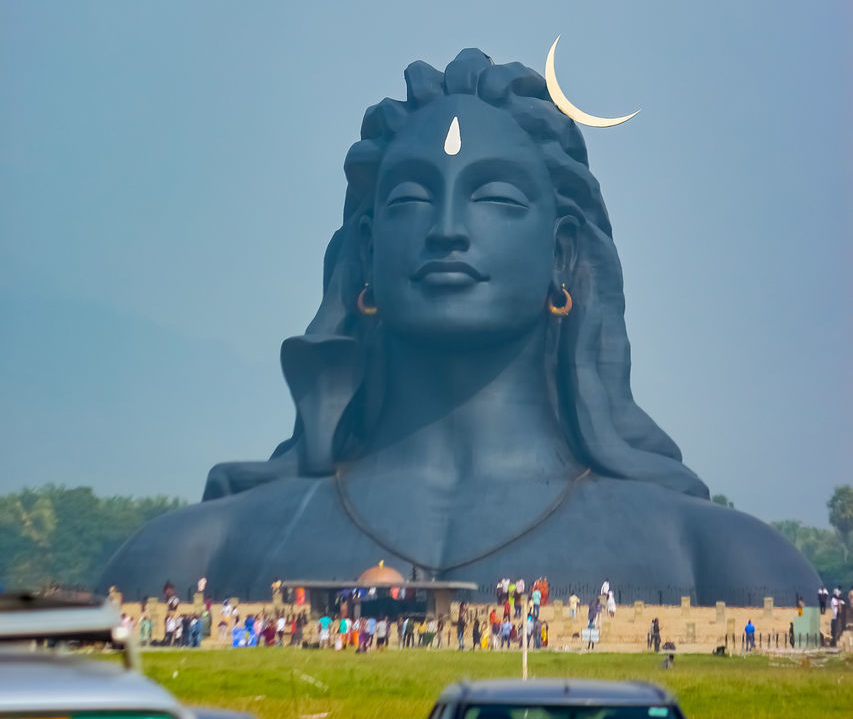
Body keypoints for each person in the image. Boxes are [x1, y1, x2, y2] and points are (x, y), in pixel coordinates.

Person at [101, 50, 821, 602]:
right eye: (411, 197)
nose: (446, 230)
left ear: (563, 254)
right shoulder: (193, 553)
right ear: (365, 252)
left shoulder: (721, 563)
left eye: (496, 199)